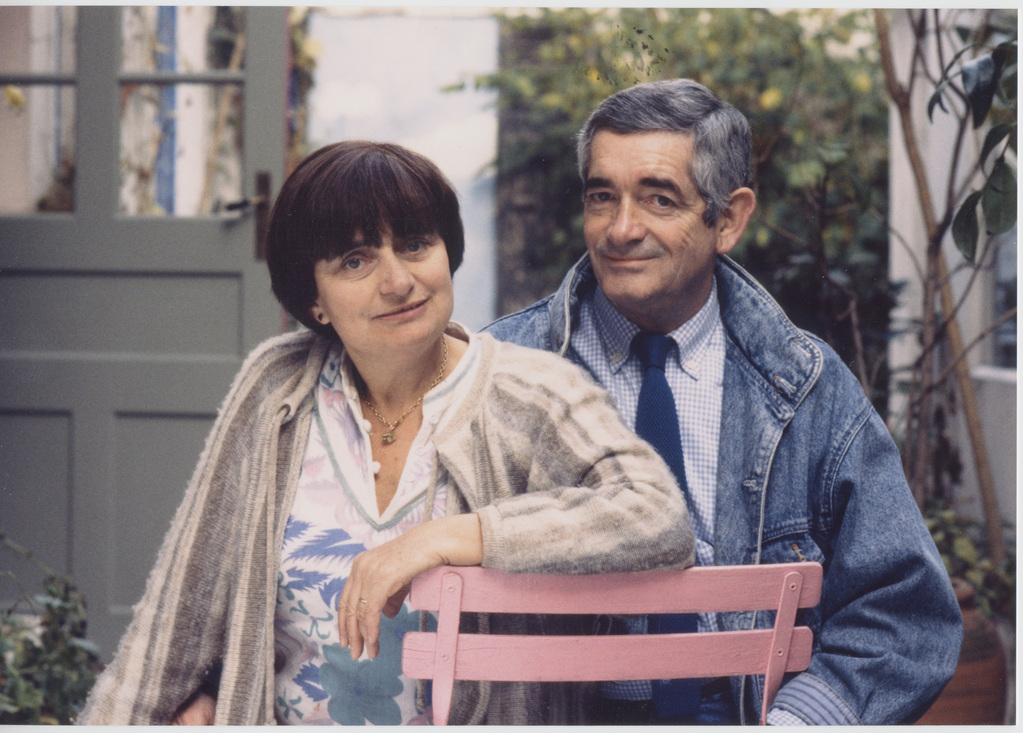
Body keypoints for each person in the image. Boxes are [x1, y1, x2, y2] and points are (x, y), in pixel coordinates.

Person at [77, 141, 694, 725]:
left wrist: (448, 538)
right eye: (355, 260)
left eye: (416, 244)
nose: (398, 281)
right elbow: (180, 612)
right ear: (313, 300)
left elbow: (658, 518)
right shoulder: (276, 387)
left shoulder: (534, 392)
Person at [485, 78, 962, 725]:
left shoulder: (806, 386)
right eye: (602, 197)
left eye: (659, 199)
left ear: (729, 219)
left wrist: (795, 723)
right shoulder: (501, 370)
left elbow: (905, 612)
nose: (621, 229)